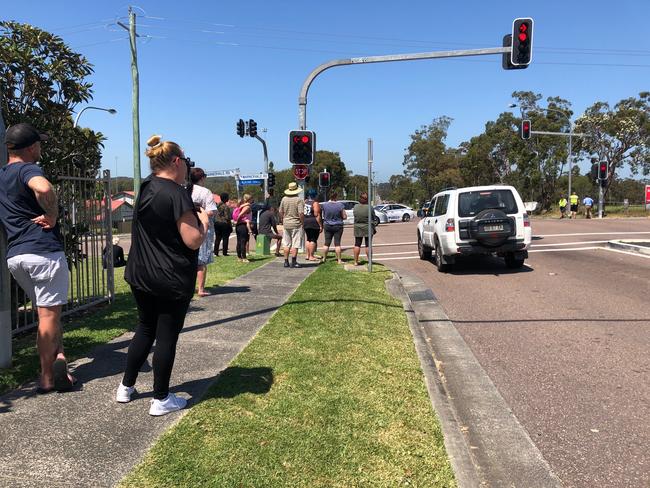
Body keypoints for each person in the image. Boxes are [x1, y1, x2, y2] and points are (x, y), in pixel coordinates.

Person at [117, 135, 209, 416]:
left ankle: (126, 386)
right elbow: (192, 239)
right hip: (169, 276)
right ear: (177, 161)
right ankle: (161, 398)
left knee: (145, 328)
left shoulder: (145, 187)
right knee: (167, 335)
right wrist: (203, 223)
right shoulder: (177, 193)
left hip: (141, 272)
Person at [0, 123, 76, 393]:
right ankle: (46, 377)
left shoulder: (2, 175)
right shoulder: (28, 169)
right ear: (31, 147)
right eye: (39, 144)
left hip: (16, 258)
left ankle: (59, 359)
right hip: (43, 251)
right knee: (48, 315)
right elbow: (43, 189)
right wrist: (53, 216)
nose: (41, 148)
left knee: (49, 313)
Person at [190, 168, 218, 296]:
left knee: (189, 259)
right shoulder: (206, 192)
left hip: (187, 227)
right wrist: (200, 212)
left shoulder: (185, 190)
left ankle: (189, 288)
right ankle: (201, 289)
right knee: (201, 260)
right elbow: (211, 211)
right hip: (203, 228)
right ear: (202, 178)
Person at [279, 182, 304, 268]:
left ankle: (286, 261)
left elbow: (280, 211)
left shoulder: (284, 199)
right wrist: (302, 222)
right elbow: (301, 213)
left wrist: (282, 219)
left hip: (286, 223)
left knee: (286, 243)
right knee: (295, 244)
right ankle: (294, 261)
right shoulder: (298, 200)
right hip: (296, 223)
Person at [320, 191, 347, 264]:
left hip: (327, 225)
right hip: (338, 225)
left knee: (327, 243)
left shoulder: (325, 205)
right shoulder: (340, 205)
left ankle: (324, 258)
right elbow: (344, 216)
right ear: (336, 196)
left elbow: (323, 215)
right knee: (337, 243)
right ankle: (339, 260)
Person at [352, 192, 374, 266]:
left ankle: (355, 261)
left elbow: (355, 215)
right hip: (367, 227)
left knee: (357, 244)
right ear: (366, 199)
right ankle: (369, 261)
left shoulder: (355, 207)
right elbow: (373, 217)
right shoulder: (370, 207)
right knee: (368, 245)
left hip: (357, 227)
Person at [303, 188, 322, 261]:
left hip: (306, 221)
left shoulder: (305, 202)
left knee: (308, 239)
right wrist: (320, 225)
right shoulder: (315, 203)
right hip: (313, 222)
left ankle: (307, 255)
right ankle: (311, 256)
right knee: (313, 239)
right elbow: (316, 215)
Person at [233, 194, 253, 263]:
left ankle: (239, 257)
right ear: (249, 199)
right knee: (243, 241)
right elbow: (240, 214)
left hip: (239, 226)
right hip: (243, 225)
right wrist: (237, 221)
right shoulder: (247, 207)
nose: (252, 200)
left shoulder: (240, 205)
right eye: (251, 199)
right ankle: (244, 257)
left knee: (239, 241)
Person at [213, 192, 232, 256]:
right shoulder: (226, 207)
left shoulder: (216, 206)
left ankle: (216, 252)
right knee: (225, 238)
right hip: (224, 223)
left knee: (217, 238)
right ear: (225, 198)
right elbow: (227, 217)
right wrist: (230, 225)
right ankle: (224, 252)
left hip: (216, 223)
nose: (228, 198)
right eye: (227, 197)